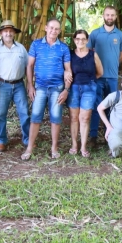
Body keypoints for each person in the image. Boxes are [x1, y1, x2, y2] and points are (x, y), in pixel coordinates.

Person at [21, 18, 72, 160]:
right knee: (35, 117)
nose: (53, 31)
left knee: (55, 119)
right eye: (51, 28)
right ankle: (29, 148)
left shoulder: (63, 47)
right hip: (40, 88)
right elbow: (29, 66)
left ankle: (54, 148)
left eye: (56, 29)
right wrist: (30, 86)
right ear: (45, 28)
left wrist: (66, 90)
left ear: (59, 31)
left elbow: (68, 70)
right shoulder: (36, 44)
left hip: (57, 88)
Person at [88, 6, 122, 148]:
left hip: (112, 77)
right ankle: (93, 137)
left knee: (111, 108)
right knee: (96, 106)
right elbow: (88, 52)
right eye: (107, 15)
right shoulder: (95, 34)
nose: (109, 17)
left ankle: (108, 135)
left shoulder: (120, 35)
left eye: (112, 15)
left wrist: (112, 64)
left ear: (116, 16)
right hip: (97, 77)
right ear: (103, 16)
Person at [0, 20, 30, 154]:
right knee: (1, 114)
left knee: (24, 112)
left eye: (11, 31)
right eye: (5, 31)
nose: (8, 33)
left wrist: (30, 83)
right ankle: (1, 140)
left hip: (19, 85)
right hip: (1, 84)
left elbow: (29, 65)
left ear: (14, 33)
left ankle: (27, 139)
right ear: (1, 33)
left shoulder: (21, 48)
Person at [68, 29, 104, 158]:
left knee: (85, 118)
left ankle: (83, 146)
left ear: (87, 40)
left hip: (89, 88)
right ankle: (74, 144)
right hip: (73, 88)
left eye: (83, 39)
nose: (80, 41)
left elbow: (100, 72)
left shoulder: (93, 54)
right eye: (77, 39)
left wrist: (91, 82)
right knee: (73, 118)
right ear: (74, 40)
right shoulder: (70, 54)